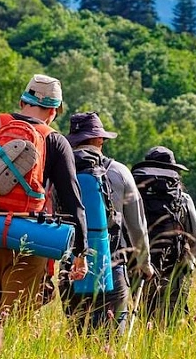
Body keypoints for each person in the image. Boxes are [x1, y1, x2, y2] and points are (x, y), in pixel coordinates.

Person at [0, 74, 88, 316]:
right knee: (15, 320)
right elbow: (73, 202)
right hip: (30, 237)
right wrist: (80, 253)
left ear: (22, 102)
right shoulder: (56, 142)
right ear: (54, 111)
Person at [59, 112, 154, 334]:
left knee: (78, 336)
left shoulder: (60, 171)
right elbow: (137, 225)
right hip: (111, 267)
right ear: (99, 140)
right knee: (112, 339)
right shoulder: (120, 172)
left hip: (71, 269)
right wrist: (144, 262)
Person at [132, 146, 196, 324]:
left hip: (141, 273)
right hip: (176, 274)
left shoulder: (135, 195)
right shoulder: (182, 199)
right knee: (171, 325)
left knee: (144, 323)